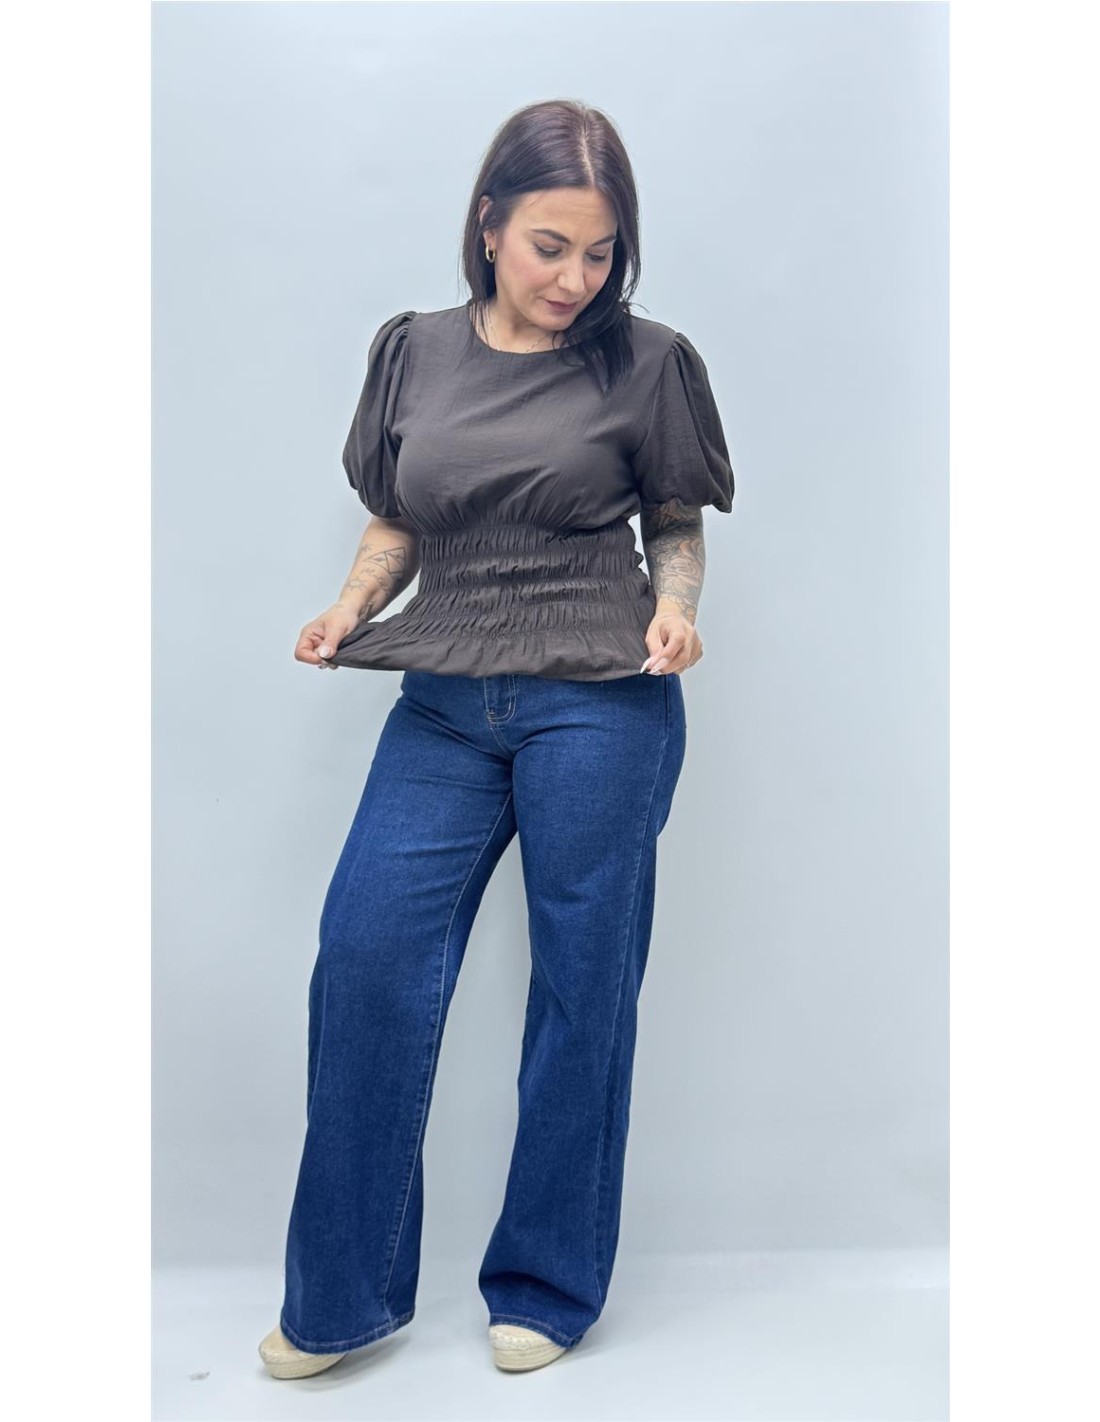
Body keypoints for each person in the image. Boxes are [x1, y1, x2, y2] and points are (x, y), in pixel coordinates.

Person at [258, 98, 736, 1381]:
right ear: (486, 227)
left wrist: (678, 613)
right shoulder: (412, 351)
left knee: (582, 990)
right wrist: (348, 609)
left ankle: (545, 1284)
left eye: (600, 252)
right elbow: (400, 518)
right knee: (365, 961)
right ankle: (341, 1298)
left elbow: (673, 522)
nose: (575, 278)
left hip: (602, 699)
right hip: (444, 702)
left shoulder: (646, 362)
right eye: (548, 246)